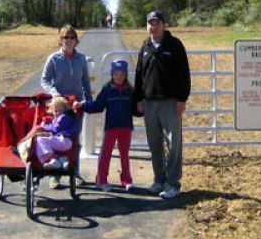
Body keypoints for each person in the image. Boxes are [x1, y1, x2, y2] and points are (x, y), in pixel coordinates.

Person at [134, 10, 191, 199]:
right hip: (150, 104)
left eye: (156, 22)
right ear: (147, 26)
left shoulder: (174, 45)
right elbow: (139, 75)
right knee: (154, 144)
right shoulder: (145, 47)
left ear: (163, 25)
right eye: (150, 23)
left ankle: (173, 183)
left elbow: (184, 73)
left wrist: (182, 99)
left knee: (173, 144)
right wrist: (139, 99)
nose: (153, 26)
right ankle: (159, 180)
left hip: (170, 103)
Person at [74, 60, 141, 192]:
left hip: (126, 127)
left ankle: (126, 180)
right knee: (105, 154)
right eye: (116, 74)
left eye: (122, 74)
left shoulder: (130, 91)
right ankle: (101, 180)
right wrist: (83, 105)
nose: (119, 76)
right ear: (112, 74)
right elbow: (98, 106)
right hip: (111, 127)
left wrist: (142, 110)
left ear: (126, 74)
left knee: (124, 155)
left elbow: (135, 110)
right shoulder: (107, 89)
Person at [41, 25, 92, 188]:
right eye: (65, 38)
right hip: (59, 106)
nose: (68, 41)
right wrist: (54, 92)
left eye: (71, 37)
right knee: (56, 138)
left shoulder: (81, 59)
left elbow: (85, 81)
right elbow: (45, 80)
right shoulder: (54, 59)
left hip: (76, 105)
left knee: (74, 140)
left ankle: (74, 172)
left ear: (76, 40)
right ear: (60, 40)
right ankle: (54, 176)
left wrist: (88, 101)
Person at [35, 96, 78, 169]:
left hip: (64, 140)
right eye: (55, 111)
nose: (56, 113)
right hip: (64, 140)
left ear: (64, 109)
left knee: (40, 140)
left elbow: (56, 128)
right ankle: (60, 160)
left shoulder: (64, 117)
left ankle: (53, 159)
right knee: (43, 140)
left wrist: (43, 127)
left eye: (59, 110)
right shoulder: (64, 116)